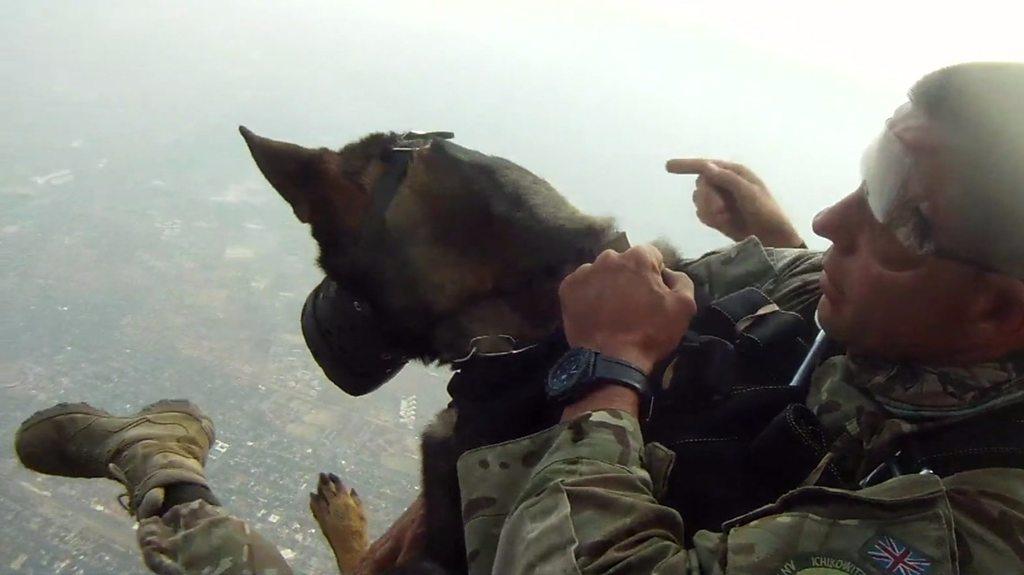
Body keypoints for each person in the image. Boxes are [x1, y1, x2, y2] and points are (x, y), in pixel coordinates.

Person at [455, 61, 1024, 574]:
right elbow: (803, 271)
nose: (829, 222)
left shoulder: (977, 529)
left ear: (995, 310)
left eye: (900, 222)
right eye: (877, 178)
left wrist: (606, 374)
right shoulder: (917, 329)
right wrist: (770, 235)